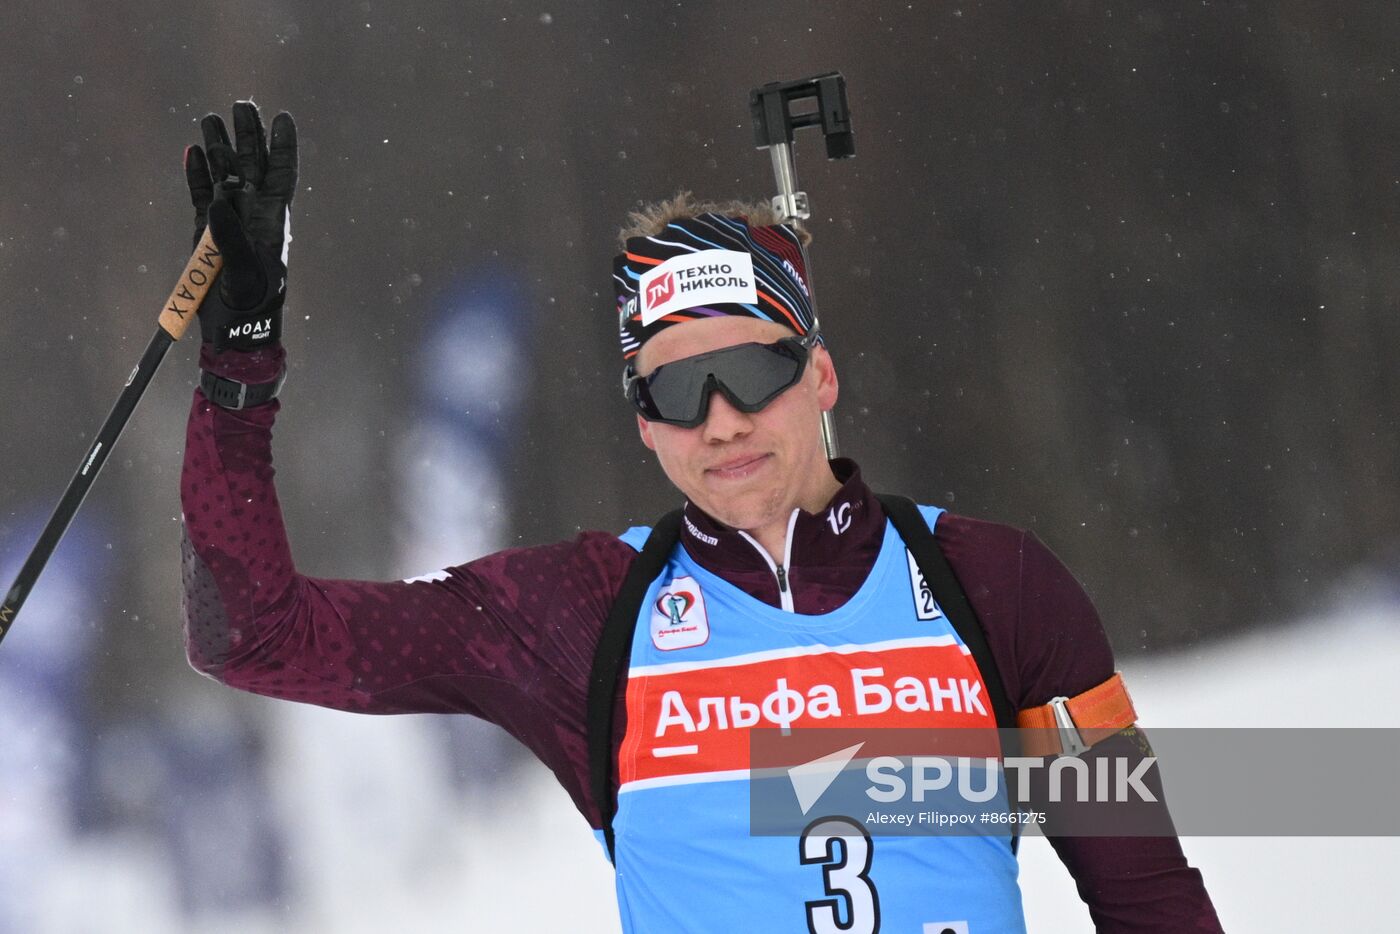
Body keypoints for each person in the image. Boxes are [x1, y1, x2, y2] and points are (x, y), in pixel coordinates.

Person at [179, 101, 1222, 932]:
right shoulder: (582, 615)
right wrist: (238, 364)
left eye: (747, 372)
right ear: (643, 426)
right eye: (675, 391)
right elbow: (256, 635)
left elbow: (1145, 896)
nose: (719, 421)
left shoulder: (992, 584)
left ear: (818, 373)